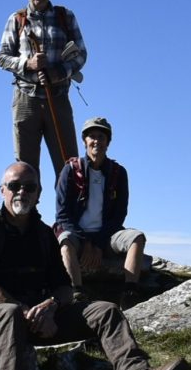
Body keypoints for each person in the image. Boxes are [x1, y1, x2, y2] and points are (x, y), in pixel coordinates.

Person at [0, 162, 185, 370]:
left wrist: (52, 306)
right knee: (9, 313)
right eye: (14, 186)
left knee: (104, 311)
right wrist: (26, 312)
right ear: (2, 190)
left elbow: (63, 286)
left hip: (40, 317)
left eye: (29, 187)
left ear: (39, 193)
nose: (22, 192)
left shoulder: (44, 234)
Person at [0, 0, 88, 176]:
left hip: (59, 97)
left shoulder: (66, 17)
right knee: (25, 169)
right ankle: (29, 199)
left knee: (68, 166)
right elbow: (1, 58)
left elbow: (81, 54)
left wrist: (59, 73)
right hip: (25, 100)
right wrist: (28, 64)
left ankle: (67, 199)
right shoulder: (16, 19)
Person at [54, 117, 146, 306]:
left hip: (107, 236)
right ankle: (77, 292)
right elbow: (62, 214)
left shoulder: (118, 173)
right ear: (84, 141)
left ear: (108, 142)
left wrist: (98, 243)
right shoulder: (70, 170)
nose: (96, 141)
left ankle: (129, 292)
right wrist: (86, 242)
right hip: (76, 236)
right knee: (65, 241)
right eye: (92, 136)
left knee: (137, 237)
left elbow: (119, 215)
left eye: (101, 137)